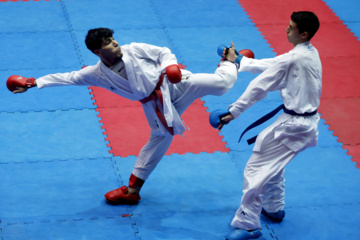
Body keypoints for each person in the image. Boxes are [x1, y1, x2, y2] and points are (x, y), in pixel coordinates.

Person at [7, 28, 252, 205]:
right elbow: (68, 77)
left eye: (113, 39)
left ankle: (232, 60)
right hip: (155, 105)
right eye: (108, 43)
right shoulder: (97, 74)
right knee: (158, 140)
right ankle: (132, 191)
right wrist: (33, 82)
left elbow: (163, 51)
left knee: (223, 84)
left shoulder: (134, 49)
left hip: (173, 84)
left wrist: (170, 66)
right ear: (97, 51)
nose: (115, 44)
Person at [216, 11, 321, 240]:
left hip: (294, 126)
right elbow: (273, 64)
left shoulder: (293, 58)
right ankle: (273, 208)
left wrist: (233, 111)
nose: (286, 29)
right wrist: (239, 60)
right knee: (272, 160)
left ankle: (248, 225)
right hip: (302, 123)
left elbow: (258, 86)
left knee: (255, 169)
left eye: (291, 27)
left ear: (303, 34)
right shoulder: (309, 53)